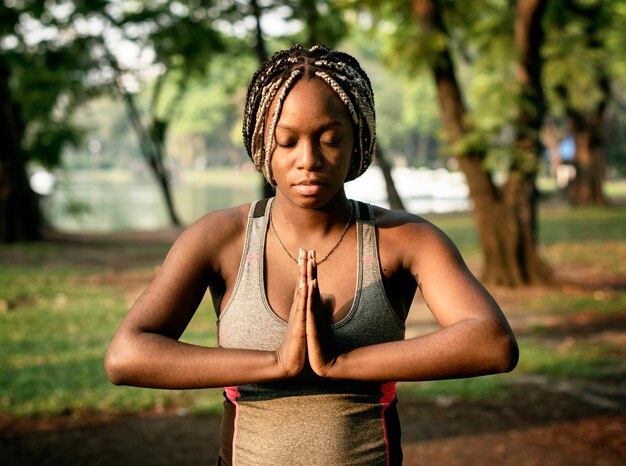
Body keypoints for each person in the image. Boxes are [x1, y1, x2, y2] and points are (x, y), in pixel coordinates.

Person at [105, 44, 519, 466]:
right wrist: (276, 363)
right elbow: (126, 356)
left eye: (330, 139)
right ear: (261, 144)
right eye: (287, 142)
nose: (309, 160)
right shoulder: (221, 239)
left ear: (359, 139)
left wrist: (343, 363)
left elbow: (492, 343)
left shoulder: (403, 239)